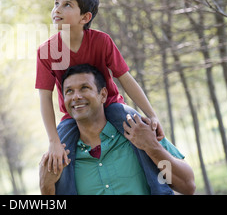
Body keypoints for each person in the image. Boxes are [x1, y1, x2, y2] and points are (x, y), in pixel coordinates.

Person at [36, 0, 170, 194]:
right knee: (59, 158)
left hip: (111, 105)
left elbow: (125, 79)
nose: (57, 9)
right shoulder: (46, 51)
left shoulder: (102, 41)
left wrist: (151, 115)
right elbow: (44, 98)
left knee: (140, 133)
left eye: (67, 4)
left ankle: (162, 190)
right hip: (74, 116)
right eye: (56, 3)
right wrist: (53, 141)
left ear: (85, 17)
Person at [39, 64, 195, 195]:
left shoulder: (138, 132)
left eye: (84, 88)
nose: (76, 96)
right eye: (69, 91)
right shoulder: (61, 158)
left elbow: (187, 186)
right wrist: (46, 188)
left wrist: (152, 148)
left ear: (103, 95)